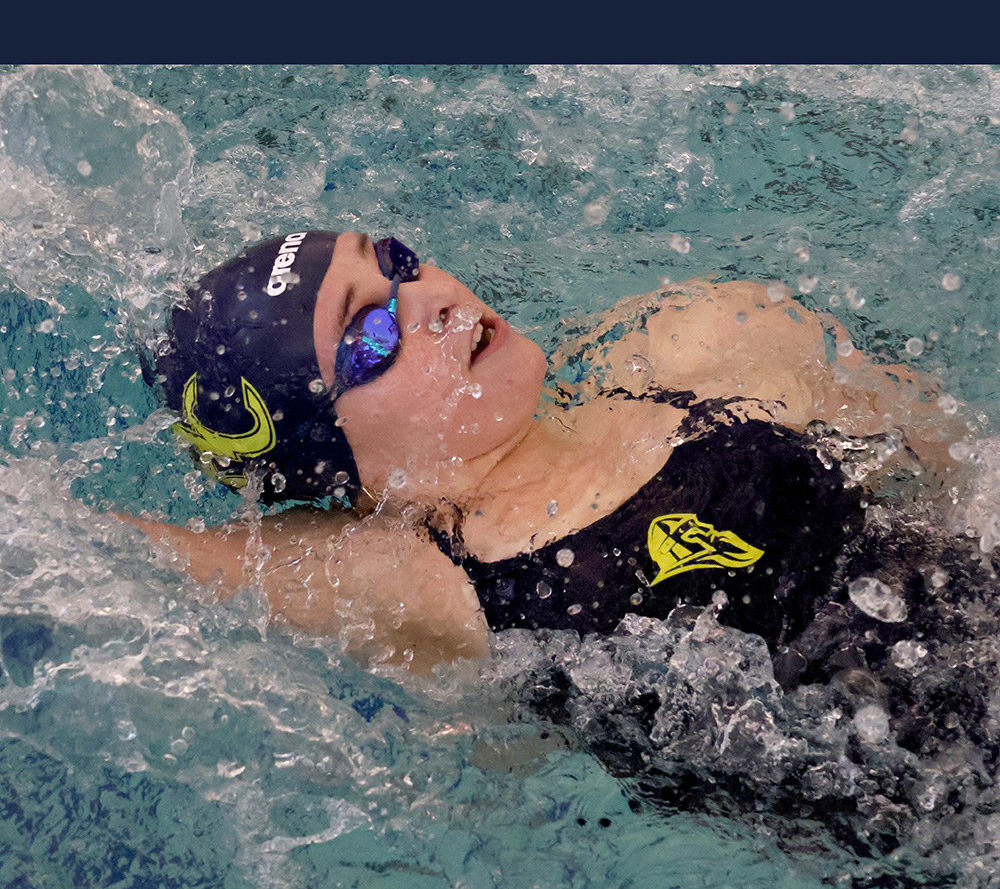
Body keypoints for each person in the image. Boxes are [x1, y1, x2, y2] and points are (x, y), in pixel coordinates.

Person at [137, 230, 970, 680]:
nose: (429, 297)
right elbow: (109, 555)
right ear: (339, 463)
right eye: (372, 331)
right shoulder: (419, 574)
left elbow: (959, 466)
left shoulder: (701, 338)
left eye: (397, 261)